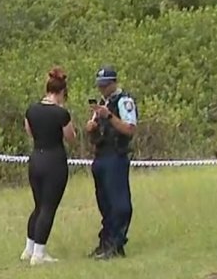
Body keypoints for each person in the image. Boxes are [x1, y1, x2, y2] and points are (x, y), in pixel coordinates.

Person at [20, 66, 77, 265]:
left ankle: (29, 248)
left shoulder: (31, 110)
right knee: (48, 207)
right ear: (62, 92)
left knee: (38, 205)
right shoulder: (61, 114)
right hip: (54, 161)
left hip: (36, 158)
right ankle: (39, 253)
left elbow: (29, 132)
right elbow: (71, 138)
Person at [85, 65, 137, 260]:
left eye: (105, 85)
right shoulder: (101, 103)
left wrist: (109, 116)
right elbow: (95, 134)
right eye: (100, 85)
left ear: (114, 83)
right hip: (101, 155)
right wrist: (91, 128)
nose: (102, 89)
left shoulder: (124, 101)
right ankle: (105, 242)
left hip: (116, 155)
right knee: (104, 202)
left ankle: (116, 242)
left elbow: (129, 129)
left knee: (119, 203)